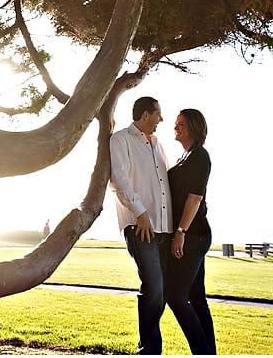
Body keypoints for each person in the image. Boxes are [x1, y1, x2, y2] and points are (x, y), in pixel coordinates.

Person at [109, 96, 172, 355]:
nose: (161, 119)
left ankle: (150, 346)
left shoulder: (157, 144)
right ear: (145, 115)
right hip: (140, 226)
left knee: (162, 291)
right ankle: (148, 349)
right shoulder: (120, 139)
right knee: (154, 287)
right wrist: (140, 213)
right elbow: (119, 180)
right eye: (158, 114)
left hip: (164, 228)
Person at [166, 108, 216, 354]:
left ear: (194, 128)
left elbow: (195, 198)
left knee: (175, 296)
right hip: (191, 235)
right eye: (176, 124)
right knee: (197, 299)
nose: (176, 128)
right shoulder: (184, 157)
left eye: (181, 124)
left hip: (193, 235)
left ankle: (202, 352)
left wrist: (180, 232)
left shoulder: (199, 156)